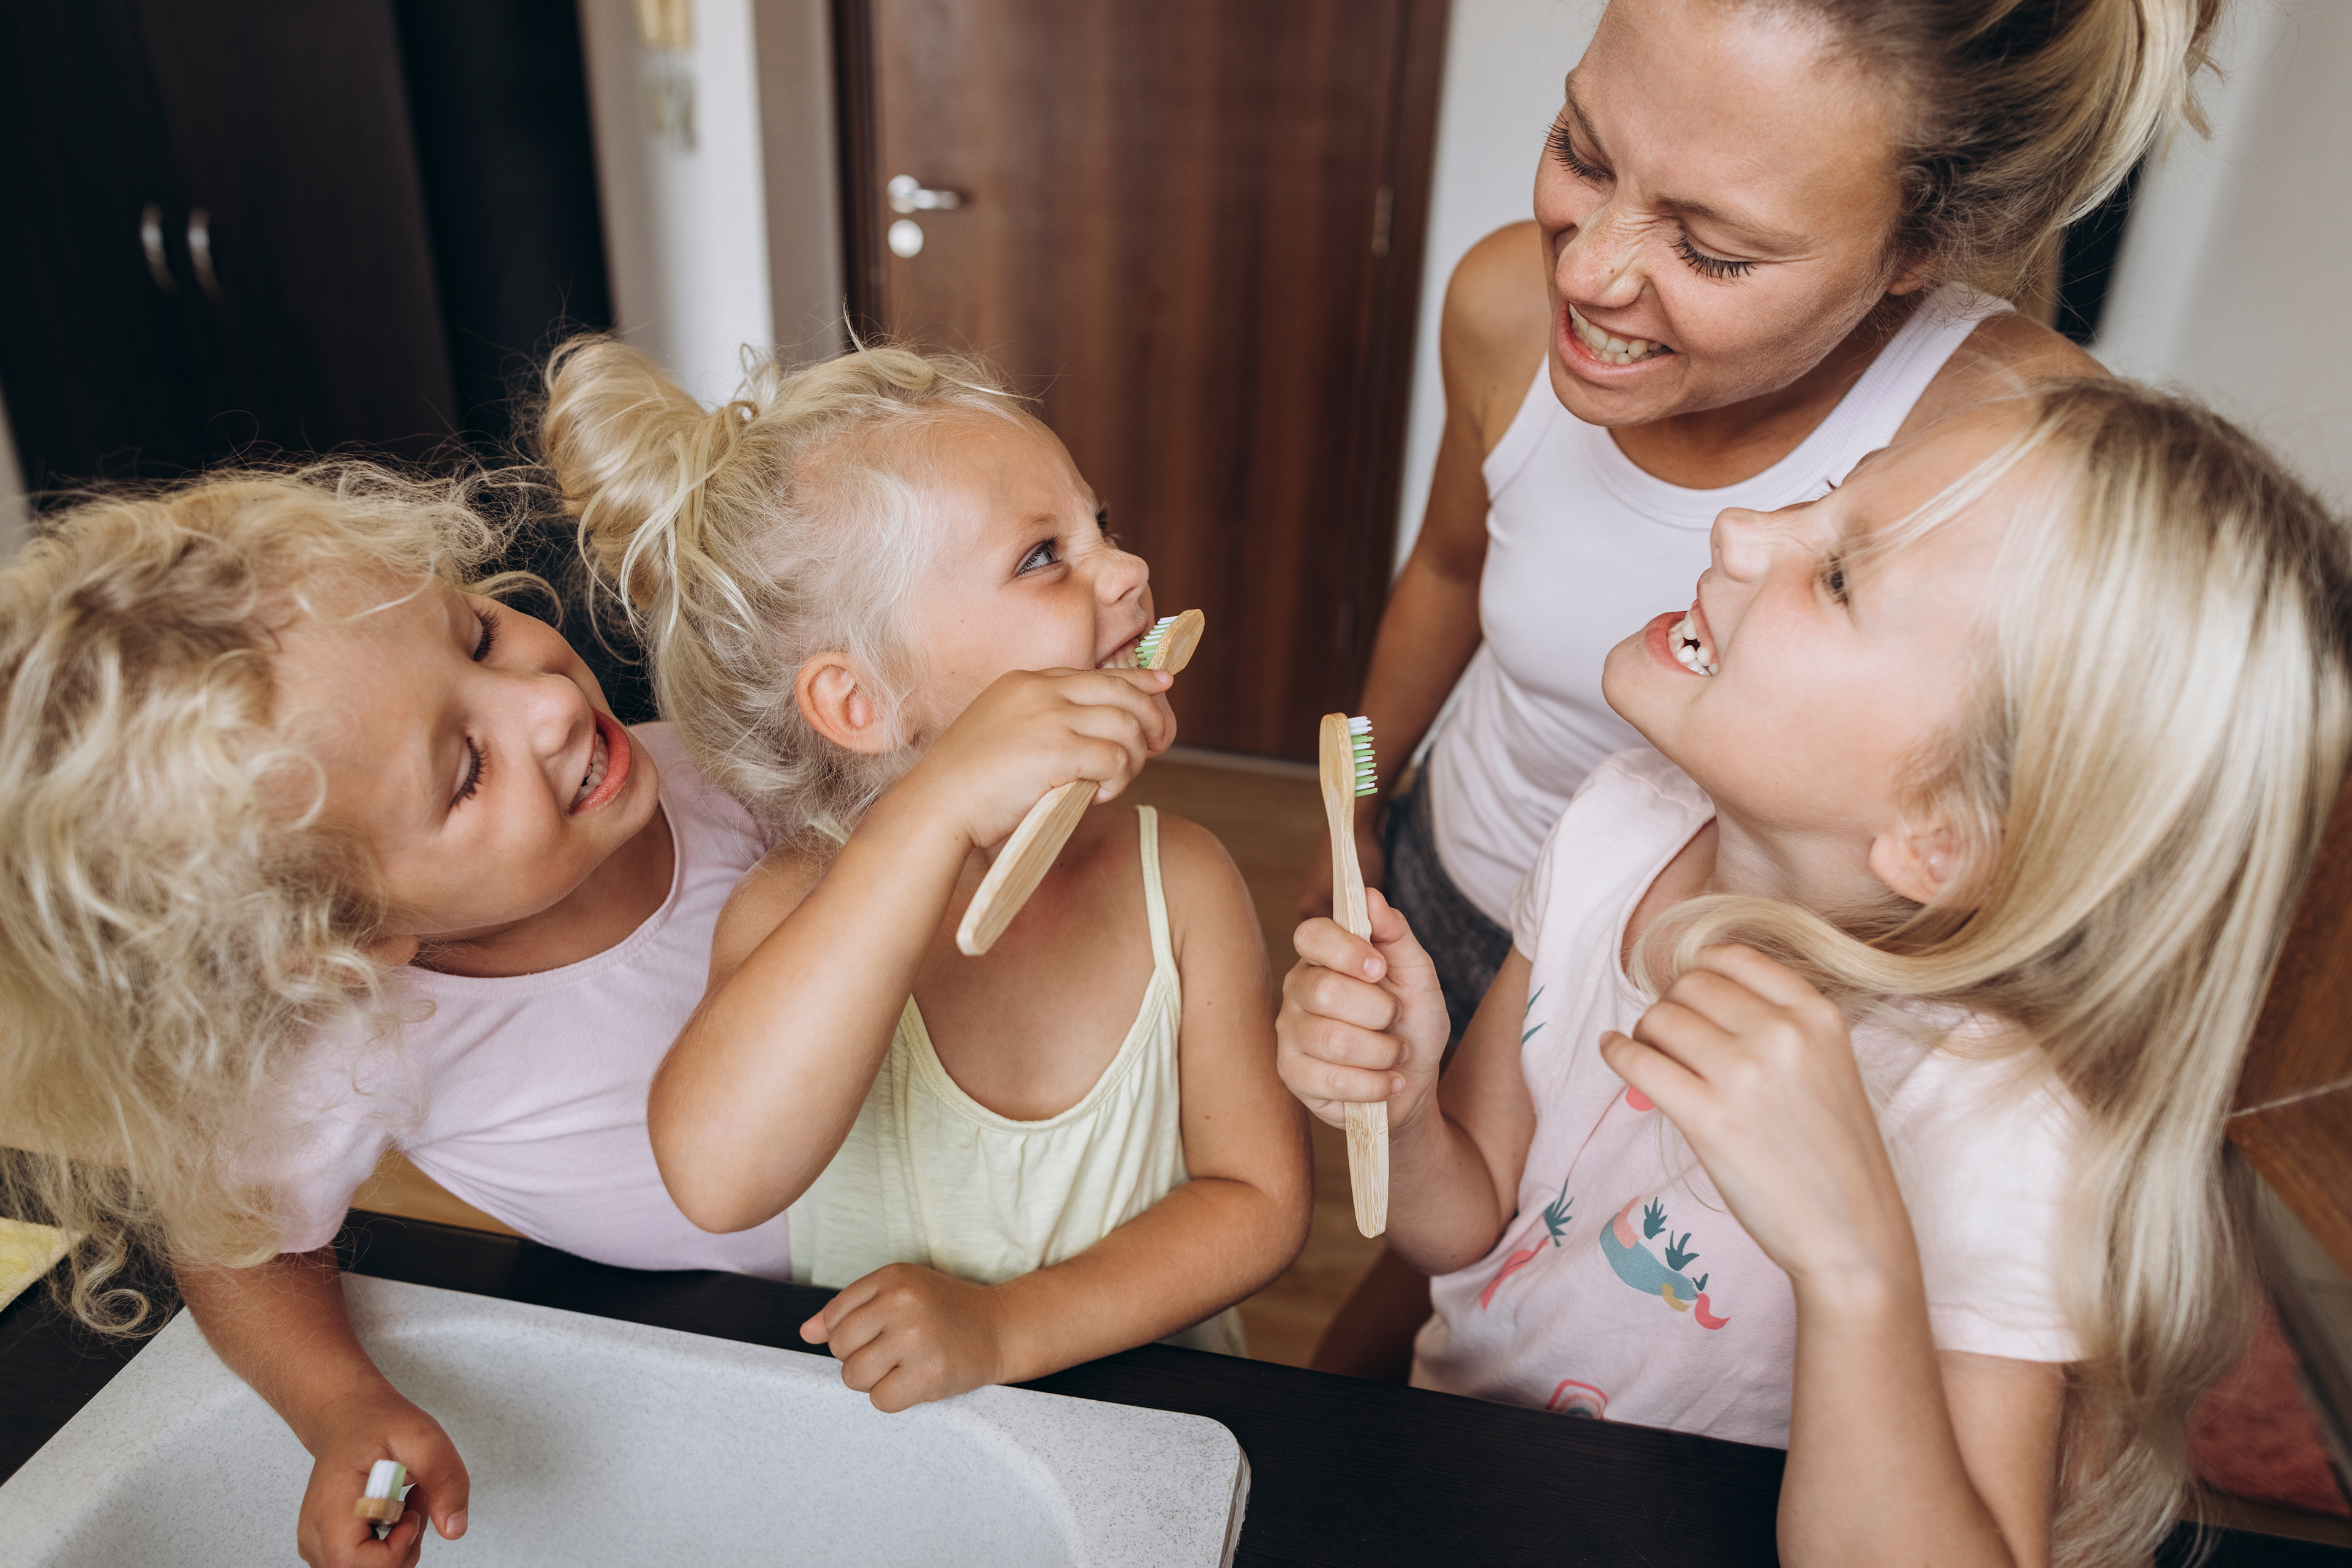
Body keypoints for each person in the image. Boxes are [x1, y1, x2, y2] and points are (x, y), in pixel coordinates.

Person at [1278, 379, 2350, 1565]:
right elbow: (1469, 1217)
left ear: (1942, 835)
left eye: (1839, 575)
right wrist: (1404, 1108)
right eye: (1832, 489)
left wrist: (1853, 1261)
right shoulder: (1619, 823)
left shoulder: (1997, 1121)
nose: (1742, 526)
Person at [1300, 0, 2223, 1378]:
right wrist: (1364, 813)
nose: (1590, 271)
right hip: (1466, 878)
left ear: (1919, 248)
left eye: (1712, 249)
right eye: (1580, 150)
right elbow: (1443, 568)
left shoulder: (2011, 462)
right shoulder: (1501, 301)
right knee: (1440, 1256)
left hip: (1708, 974)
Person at [0, 464, 777, 1568]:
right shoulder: (359, 1043)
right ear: (347, 935)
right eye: (465, 772)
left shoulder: (723, 755)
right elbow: (241, 1254)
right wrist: (341, 1409)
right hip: (767, 1339)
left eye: (476, 637)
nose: (552, 703)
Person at [538, 336, 1313, 1413]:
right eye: (1043, 556)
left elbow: (1262, 1203)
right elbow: (717, 1182)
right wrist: (934, 815)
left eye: (1102, 525)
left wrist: (1006, 1328)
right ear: (864, 702)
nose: (1130, 570)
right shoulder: (792, 915)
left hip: (1161, 1427)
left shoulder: (1181, 882)